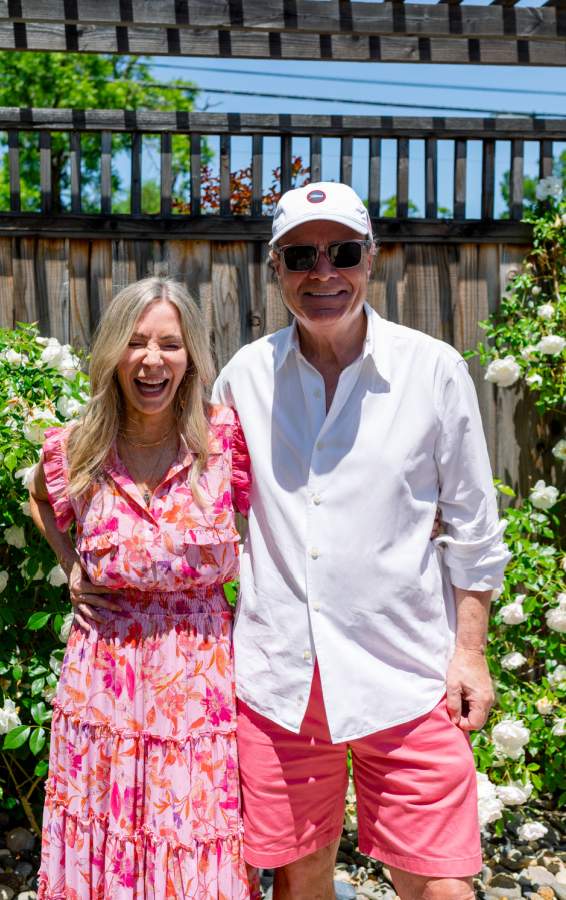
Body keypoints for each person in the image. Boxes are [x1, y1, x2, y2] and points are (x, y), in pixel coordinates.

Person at [209, 182, 511, 900]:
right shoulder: (242, 380)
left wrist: (470, 652)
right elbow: (197, 507)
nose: (324, 273)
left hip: (406, 677)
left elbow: (473, 524)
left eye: (343, 251)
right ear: (275, 268)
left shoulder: (431, 369)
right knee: (302, 875)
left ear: (372, 260)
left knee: (439, 883)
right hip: (280, 681)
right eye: (301, 256)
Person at [28, 276, 258, 900]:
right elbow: (38, 498)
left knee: (193, 836)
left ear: (190, 358)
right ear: (112, 354)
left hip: (200, 688)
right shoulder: (82, 446)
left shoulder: (224, 443)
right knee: (107, 835)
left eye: (170, 344)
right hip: (105, 685)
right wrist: (73, 564)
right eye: (135, 343)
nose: (153, 360)